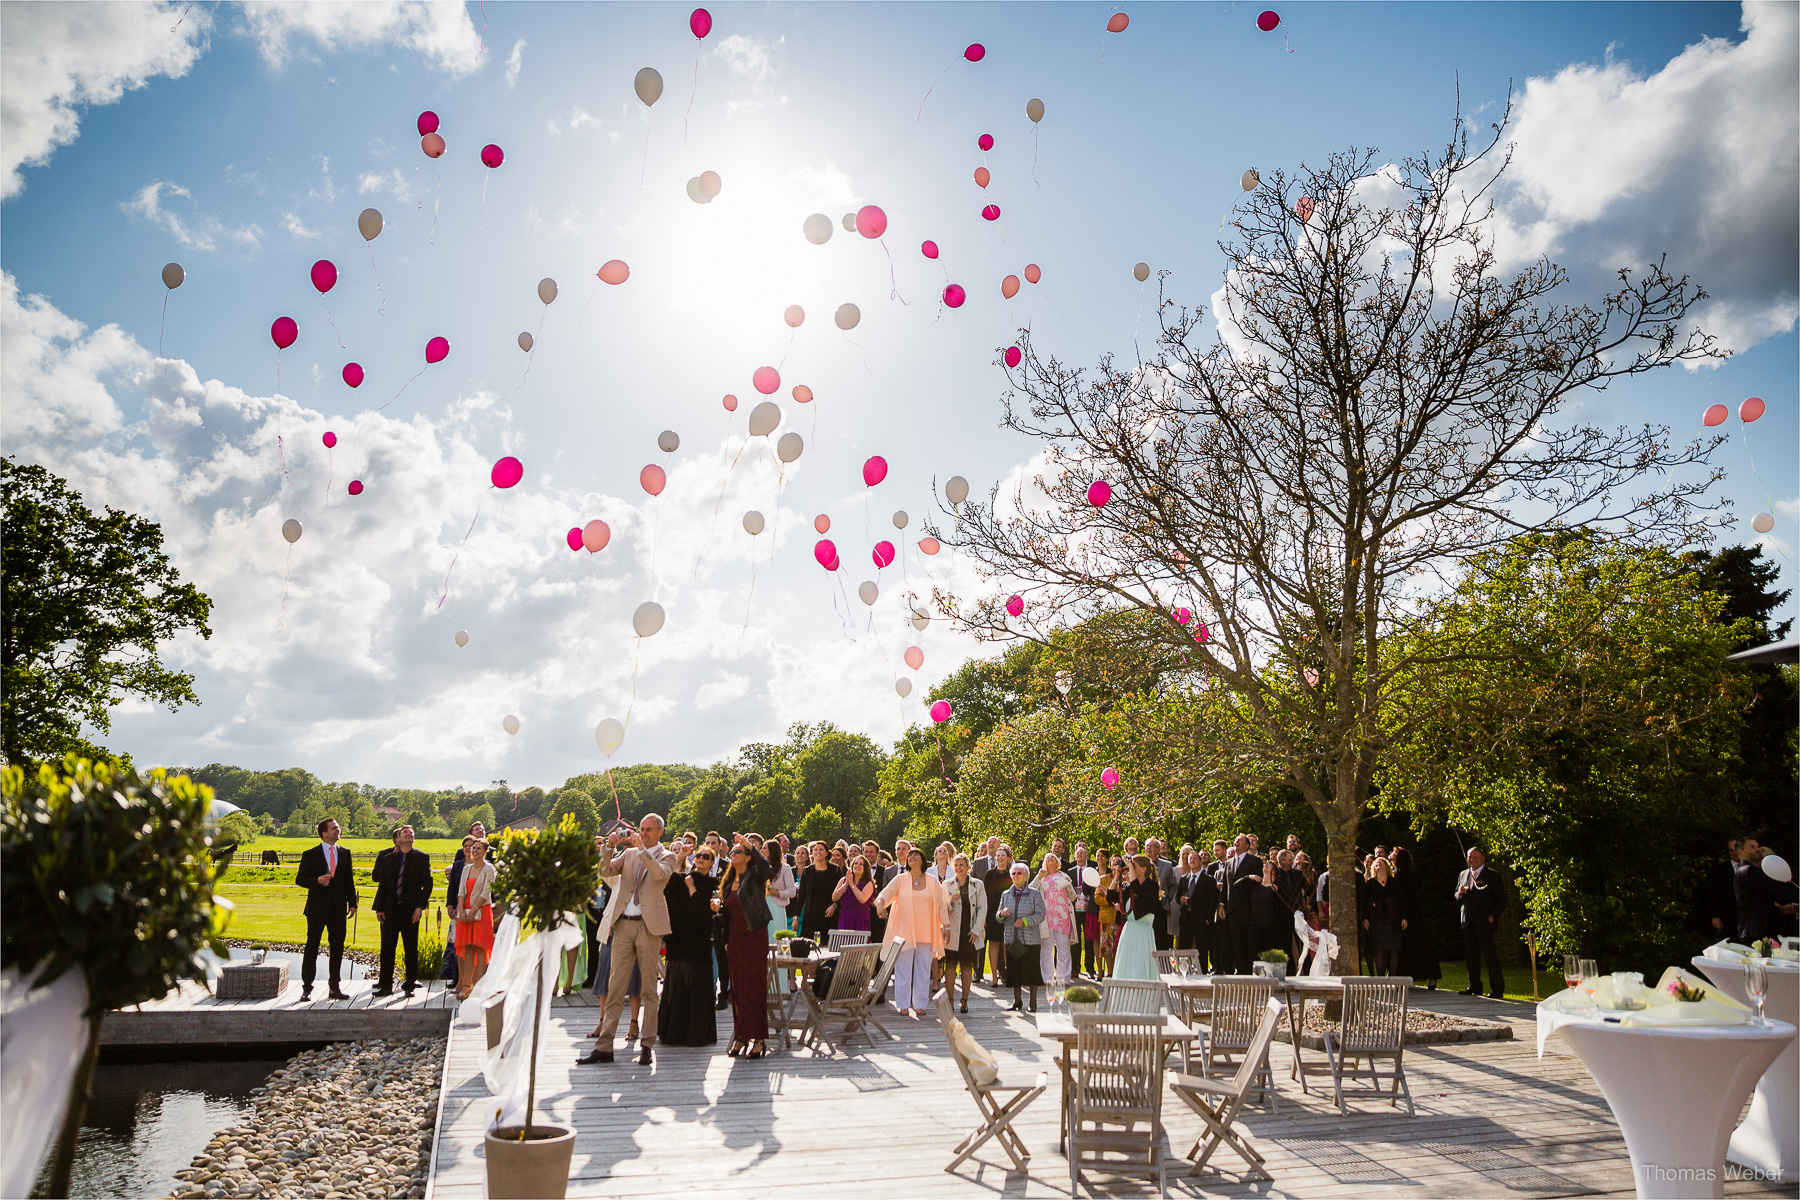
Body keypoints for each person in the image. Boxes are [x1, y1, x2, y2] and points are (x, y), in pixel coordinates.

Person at [581, 815, 676, 1066]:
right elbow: (605, 871)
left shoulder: (667, 856)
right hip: (623, 924)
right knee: (615, 988)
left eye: (648, 830)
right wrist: (609, 848)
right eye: (641, 830)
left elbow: (659, 875)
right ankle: (604, 1046)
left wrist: (643, 850)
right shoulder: (630, 854)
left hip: (649, 927)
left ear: (660, 833)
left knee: (648, 990)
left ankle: (647, 1044)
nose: (643, 834)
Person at [718, 835, 775, 1057]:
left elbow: (767, 868)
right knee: (738, 989)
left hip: (753, 935)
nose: (732, 855)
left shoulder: (755, 876)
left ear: (748, 857)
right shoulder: (728, 880)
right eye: (731, 852)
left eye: (737, 852)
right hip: (734, 939)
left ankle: (759, 1039)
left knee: (754, 987)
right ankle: (740, 1036)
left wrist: (750, 844)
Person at [657, 841, 718, 1046]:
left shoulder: (713, 883)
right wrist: (681, 856)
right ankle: (673, 1032)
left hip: (698, 939)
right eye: (698, 855)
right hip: (679, 938)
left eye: (705, 857)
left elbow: (705, 909)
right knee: (676, 983)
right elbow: (668, 882)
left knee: (696, 982)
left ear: (712, 863)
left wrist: (692, 889)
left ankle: (696, 1033)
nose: (700, 858)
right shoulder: (683, 878)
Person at [876, 847, 948, 1016]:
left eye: (915, 854)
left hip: (926, 931)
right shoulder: (900, 879)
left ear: (923, 860)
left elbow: (941, 906)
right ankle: (902, 1004)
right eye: (910, 855)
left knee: (923, 970)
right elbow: (885, 894)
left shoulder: (932, 880)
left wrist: (946, 926)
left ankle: (920, 1004)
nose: (912, 857)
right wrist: (880, 904)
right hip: (904, 932)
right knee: (902, 970)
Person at [295, 817, 357, 1001]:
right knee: (312, 947)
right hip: (316, 909)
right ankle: (307, 987)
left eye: (337, 827)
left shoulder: (345, 853)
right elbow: (300, 879)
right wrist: (316, 880)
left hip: (338, 909)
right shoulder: (311, 854)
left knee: (337, 948)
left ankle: (334, 986)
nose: (338, 830)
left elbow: (349, 881)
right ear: (324, 833)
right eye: (334, 828)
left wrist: (352, 903)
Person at [371, 825, 433, 998]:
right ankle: (385, 985)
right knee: (387, 948)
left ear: (413, 838)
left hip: (411, 911)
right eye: (404, 832)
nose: (408, 833)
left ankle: (409, 984)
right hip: (390, 910)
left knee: (410, 947)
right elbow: (383, 885)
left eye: (411, 832)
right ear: (398, 838)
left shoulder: (421, 858)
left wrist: (420, 907)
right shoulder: (388, 859)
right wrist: (380, 908)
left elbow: (427, 885)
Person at [1455, 847, 1506, 998]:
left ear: (1483, 859)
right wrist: (1460, 892)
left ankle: (1497, 989)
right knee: (1471, 956)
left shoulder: (1492, 876)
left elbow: (1501, 900)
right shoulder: (1463, 874)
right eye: (1470, 857)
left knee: (1490, 956)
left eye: (1475, 858)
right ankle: (1474, 986)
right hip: (1468, 921)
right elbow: (1456, 895)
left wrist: (1492, 917)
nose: (1472, 860)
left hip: (1484, 922)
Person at [995, 862, 1046, 1011]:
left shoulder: (1034, 894)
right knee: (1014, 971)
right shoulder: (1006, 894)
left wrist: (1024, 921)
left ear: (1026, 876)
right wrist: (1002, 914)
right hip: (1012, 939)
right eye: (1013, 873)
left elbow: (1041, 914)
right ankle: (1017, 1001)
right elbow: (997, 916)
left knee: (1032, 972)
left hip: (1030, 940)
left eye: (1019, 873)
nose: (1016, 876)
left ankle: (1033, 1003)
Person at [450, 838, 496, 1001]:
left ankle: (479, 986)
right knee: (468, 947)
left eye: (478, 848)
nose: (474, 851)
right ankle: (467, 984)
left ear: (485, 851)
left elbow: (486, 892)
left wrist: (474, 909)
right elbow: (461, 890)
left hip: (481, 912)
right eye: (473, 848)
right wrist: (461, 910)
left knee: (481, 947)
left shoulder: (489, 869)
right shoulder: (466, 868)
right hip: (465, 912)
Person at [943, 853, 987, 1013]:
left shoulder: (978, 885)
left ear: (968, 867)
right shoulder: (947, 884)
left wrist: (976, 930)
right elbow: (942, 908)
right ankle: (950, 1000)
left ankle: (965, 1000)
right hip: (952, 932)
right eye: (956, 865)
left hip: (969, 932)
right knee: (950, 965)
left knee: (967, 966)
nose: (959, 868)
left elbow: (983, 908)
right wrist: (950, 901)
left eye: (962, 865)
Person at [1391, 847, 1439, 987]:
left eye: (1394, 852)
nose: (1391, 854)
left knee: (1411, 943)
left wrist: (1404, 914)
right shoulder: (1404, 871)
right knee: (1417, 942)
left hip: (1408, 912)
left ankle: (1421, 975)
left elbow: (1403, 894)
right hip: (1412, 911)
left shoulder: (1401, 873)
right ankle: (1430, 976)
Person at [1112, 855, 1161, 981]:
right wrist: (1117, 877)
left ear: (1143, 869)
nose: (1129, 869)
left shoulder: (1152, 886)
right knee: (1127, 962)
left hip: (1143, 931)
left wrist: (1130, 864)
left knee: (1140, 962)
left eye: (1133, 866)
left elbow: (1138, 888)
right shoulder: (1129, 887)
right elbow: (1110, 897)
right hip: (1130, 929)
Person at [1035, 853, 1077, 989]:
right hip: (1046, 918)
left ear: (1058, 861)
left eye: (1053, 857)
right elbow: (1031, 890)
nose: (1050, 858)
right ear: (1044, 862)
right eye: (1048, 857)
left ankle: (1063, 978)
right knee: (1046, 949)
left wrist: (1069, 886)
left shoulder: (1064, 876)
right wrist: (1039, 876)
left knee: (1063, 948)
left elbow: (1073, 897)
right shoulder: (1041, 877)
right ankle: (1047, 977)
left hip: (1062, 917)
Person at [1361, 856, 1404, 974]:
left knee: (1393, 950)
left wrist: (1404, 917)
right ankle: (1380, 978)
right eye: (1376, 863)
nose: (1378, 864)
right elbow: (1365, 902)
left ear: (1386, 866)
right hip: (1377, 919)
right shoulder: (1371, 883)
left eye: (1381, 862)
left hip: (1393, 919)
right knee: (1380, 950)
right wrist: (1365, 918)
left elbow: (1401, 900)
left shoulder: (1394, 882)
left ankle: (1393, 979)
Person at [1175, 847, 1218, 964]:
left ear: (1200, 861)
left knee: (1202, 949)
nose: (1192, 860)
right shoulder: (1184, 879)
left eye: (1194, 858)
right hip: (1186, 918)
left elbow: (1213, 901)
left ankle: (1202, 973)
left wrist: (1208, 919)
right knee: (1184, 947)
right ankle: (1184, 970)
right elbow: (1177, 896)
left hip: (1201, 919)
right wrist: (1181, 900)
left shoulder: (1209, 880)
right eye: (1190, 859)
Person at [797, 842, 843, 940]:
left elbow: (843, 892)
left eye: (821, 850)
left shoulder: (835, 870)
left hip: (830, 915)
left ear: (826, 853)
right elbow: (801, 896)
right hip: (811, 916)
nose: (818, 852)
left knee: (829, 946)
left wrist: (834, 906)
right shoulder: (807, 871)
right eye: (815, 850)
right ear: (812, 853)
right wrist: (796, 917)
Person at [983, 845, 1014, 985]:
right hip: (992, 913)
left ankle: (1009, 974)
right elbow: (984, 896)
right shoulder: (989, 874)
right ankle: (994, 977)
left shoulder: (1013, 873)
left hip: (1009, 913)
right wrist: (984, 916)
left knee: (1007, 944)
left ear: (1008, 858)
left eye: (1003, 855)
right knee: (994, 944)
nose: (1000, 858)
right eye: (998, 855)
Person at [1067, 842, 1098, 978]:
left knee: (1089, 939)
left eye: (1082, 852)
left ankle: (1090, 968)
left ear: (1086, 855)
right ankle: (1075, 968)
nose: (1079, 854)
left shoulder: (1093, 870)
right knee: (1075, 939)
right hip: (1074, 909)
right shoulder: (1070, 872)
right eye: (1077, 853)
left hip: (1089, 909)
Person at [832, 853, 877, 934]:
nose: (857, 866)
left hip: (860, 918)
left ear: (865, 868)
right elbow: (834, 898)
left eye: (861, 864)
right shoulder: (843, 880)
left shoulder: (868, 883)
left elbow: (862, 899)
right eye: (855, 863)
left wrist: (852, 885)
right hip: (845, 917)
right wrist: (845, 885)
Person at [1096, 853, 1124, 975]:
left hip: (1122, 918)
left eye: (1119, 863)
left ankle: (1120, 973)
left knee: (1120, 947)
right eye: (1114, 863)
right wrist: (1110, 903)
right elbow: (1097, 897)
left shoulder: (1126, 878)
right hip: (1108, 917)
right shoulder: (1103, 879)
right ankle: (1110, 972)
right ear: (1110, 864)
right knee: (1107, 948)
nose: (1116, 865)